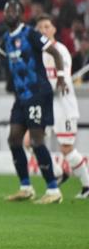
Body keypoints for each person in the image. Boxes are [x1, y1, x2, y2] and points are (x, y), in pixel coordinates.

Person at [0, 1, 67, 204]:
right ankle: (26, 187)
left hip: (38, 93)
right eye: (6, 11)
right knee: (14, 139)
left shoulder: (30, 34)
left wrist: (60, 76)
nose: (9, 14)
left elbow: (55, 52)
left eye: (13, 11)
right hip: (21, 97)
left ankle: (53, 189)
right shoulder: (7, 38)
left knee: (36, 141)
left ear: (21, 14)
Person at [34, 15, 89, 199]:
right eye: (40, 27)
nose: (43, 30)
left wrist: (43, 89)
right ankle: (58, 172)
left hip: (63, 106)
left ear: (53, 29)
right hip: (46, 105)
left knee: (66, 149)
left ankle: (87, 185)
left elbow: (61, 82)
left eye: (46, 26)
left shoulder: (61, 51)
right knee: (31, 141)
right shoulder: (38, 53)